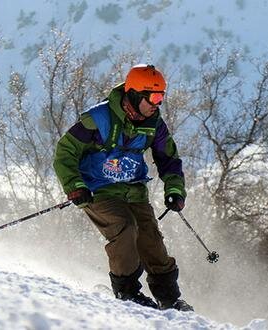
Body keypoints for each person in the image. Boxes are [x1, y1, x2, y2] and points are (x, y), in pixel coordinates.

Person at [53, 64, 193, 311]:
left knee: (150, 238)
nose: (157, 104)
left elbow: (169, 159)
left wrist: (174, 189)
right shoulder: (97, 119)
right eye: (154, 97)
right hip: (99, 190)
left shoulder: (154, 124)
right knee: (125, 228)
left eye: (161, 97)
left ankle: (170, 299)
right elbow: (65, 152)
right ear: (136, 94)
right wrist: (75, 185)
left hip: (134, 190)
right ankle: (127, 292)